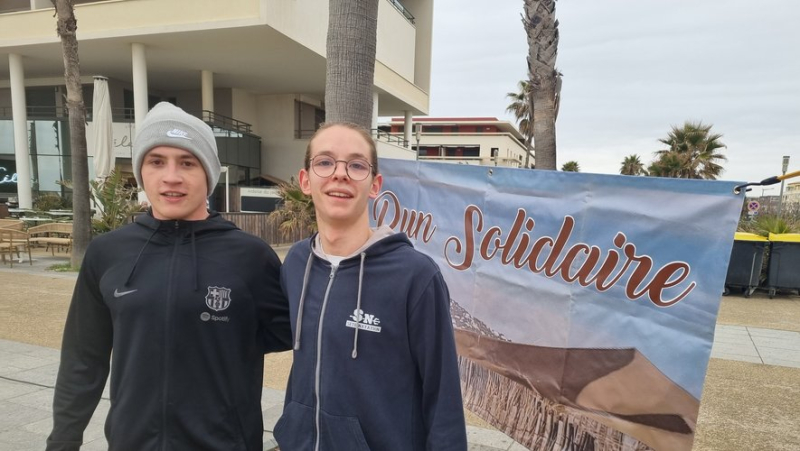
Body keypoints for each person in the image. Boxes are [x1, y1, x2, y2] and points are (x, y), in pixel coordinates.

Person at [46, 102, 291, 450]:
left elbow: (293, 335)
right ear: (141, 170)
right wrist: (63, 440)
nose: (171, 176)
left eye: (187, 162)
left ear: (208, 172)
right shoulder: (108, 252)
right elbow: (84, 357)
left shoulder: (250, 257)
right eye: (156, 161)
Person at [274, 122, 468, 450]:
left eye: (356, 165)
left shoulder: (416, 276)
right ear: (305, 181)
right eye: (325, 162)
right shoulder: (296, 263)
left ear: (375, 184)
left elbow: (443, 398)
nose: (340, 174)